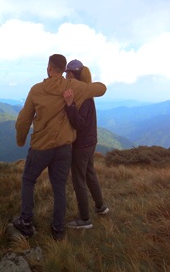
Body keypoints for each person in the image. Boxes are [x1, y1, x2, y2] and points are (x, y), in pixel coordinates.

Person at [14, 54, 107, 240]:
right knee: (59, 187)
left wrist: (21, 139)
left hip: (41, 146)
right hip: (64, 148)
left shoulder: (36, 90)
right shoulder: (74, 87)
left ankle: (26, 222)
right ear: (64, 70)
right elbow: (102, 89)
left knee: (28, 180)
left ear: (49, 68)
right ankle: (58, 229)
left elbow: (24, 120)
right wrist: (86, 83)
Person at [62, 59, 109, 230]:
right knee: (90, 173)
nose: (65, 76)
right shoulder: (87, 92)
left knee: (79, 180)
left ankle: (84, 219)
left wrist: (69, 105)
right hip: (91, 141)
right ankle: (100, 207)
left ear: (72, 74)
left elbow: (79, 124)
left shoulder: (81, 96)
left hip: (81, 144)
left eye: (67, 73)